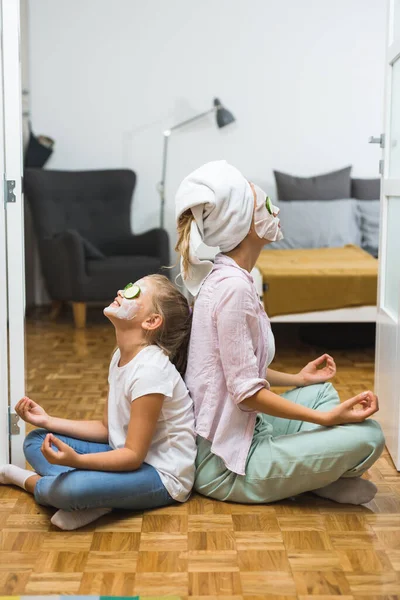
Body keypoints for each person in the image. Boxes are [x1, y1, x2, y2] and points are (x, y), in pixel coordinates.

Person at [175, 160, 385, 506]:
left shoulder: (231, 277)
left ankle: (313, 477)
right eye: (264, 204)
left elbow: (237, 368)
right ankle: (314, 478)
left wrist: (299, 379)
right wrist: (325, 419)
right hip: (227, 463)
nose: (274, 209)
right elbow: (245, 393)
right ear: (246, 225)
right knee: (370, 436)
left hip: (246, 426)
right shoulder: (233, 289)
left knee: (319, 391)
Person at [0, 274, 196, 530]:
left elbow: (133, 457)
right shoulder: (120, 356)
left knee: (69, 490)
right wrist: (48, 420)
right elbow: (106, 429)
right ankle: (100, 499)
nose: (121, 291)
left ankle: (35, 484)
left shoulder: (151, 370)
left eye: (134, 292)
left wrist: (76, 461)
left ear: (151, 321)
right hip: (123, 455)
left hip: (161, 475)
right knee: (36, 440)